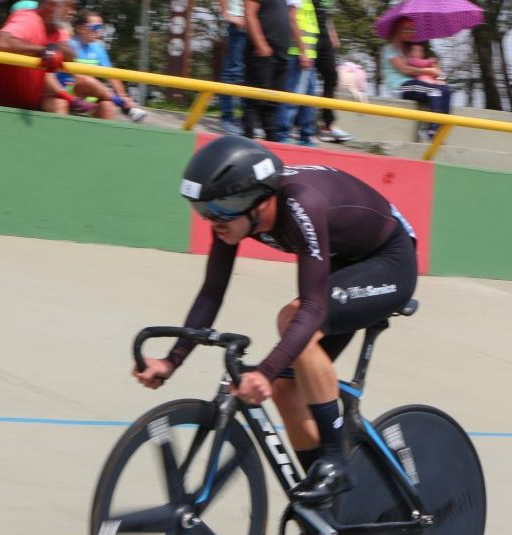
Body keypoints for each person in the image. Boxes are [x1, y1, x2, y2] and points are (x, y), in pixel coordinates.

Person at [135, 136, 419, 503]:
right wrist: (173, 360)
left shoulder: (302, 203)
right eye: (202, 210)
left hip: (389, 261)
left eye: (221, 207)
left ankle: (335, 463)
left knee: (293, 320)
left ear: (258, 198)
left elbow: (313, 307)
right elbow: (211, 292)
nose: (212, 219)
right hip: (345, 265)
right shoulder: (231, 218)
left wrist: (264, 372)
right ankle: (328, 512)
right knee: (287, 388)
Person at [0, 0, 96, 116]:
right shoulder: (27, 18)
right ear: (52, 4)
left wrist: (53, 48)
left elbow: (70, 55)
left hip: (21, 109)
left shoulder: (58, 31)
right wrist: (43, 50)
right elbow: (2, 43)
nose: (72, 12)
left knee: (59, 104)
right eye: (69, 6)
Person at [57, 12, 147, 122]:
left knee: (107, 105)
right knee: (86, 80)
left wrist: (123, 95)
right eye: (95, 27)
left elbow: (111, 75)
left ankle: (120, 106)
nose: (98, 31)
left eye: (101, 27)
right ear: (80, 28)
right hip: (68, 93)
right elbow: (80, 80)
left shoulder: (98, 48)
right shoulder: (68, 46)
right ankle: (123, 105)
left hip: (89, 95)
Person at [380, 18, 452, 141]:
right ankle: (430, 129)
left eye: (412, 29)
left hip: (414, 84)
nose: (410, 32)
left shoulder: (408, 50)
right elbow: (405, 70)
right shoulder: (390, 49)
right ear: (397, 30)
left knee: (446, 90)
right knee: (435, 92)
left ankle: (439, 128)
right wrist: (428, 71)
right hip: (401, 86)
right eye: (406, 29)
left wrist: (434, 69)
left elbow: (419, 65)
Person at [242, 0, 301, 142]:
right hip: (263, 50)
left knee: (273, 101)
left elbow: (290, 19)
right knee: (254, 97)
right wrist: (260, 44)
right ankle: (247, 135)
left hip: (281, 52)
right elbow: (250, 14)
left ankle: (271, 139)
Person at [275, 0, 318, 146]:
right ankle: (282, 133)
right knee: (294, 96)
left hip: (309, 55)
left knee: (310, 98)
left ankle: (305, 135)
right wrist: (303, 52)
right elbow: (292, 20)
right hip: (299, 55)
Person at [312, 0, 353, 143]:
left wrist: (332, 34)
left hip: (324, 38)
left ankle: (328, 126)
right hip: (310, 35)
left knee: (331, 77)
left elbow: (327, 14)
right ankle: (296, 125)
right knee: (306, 80)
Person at [217, 0, 247, 135]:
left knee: (248, 73)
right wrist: (227, 14)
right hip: (239, 23)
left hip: (253, 24)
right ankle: (227, 118)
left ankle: (245, 119)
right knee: (233, 70)